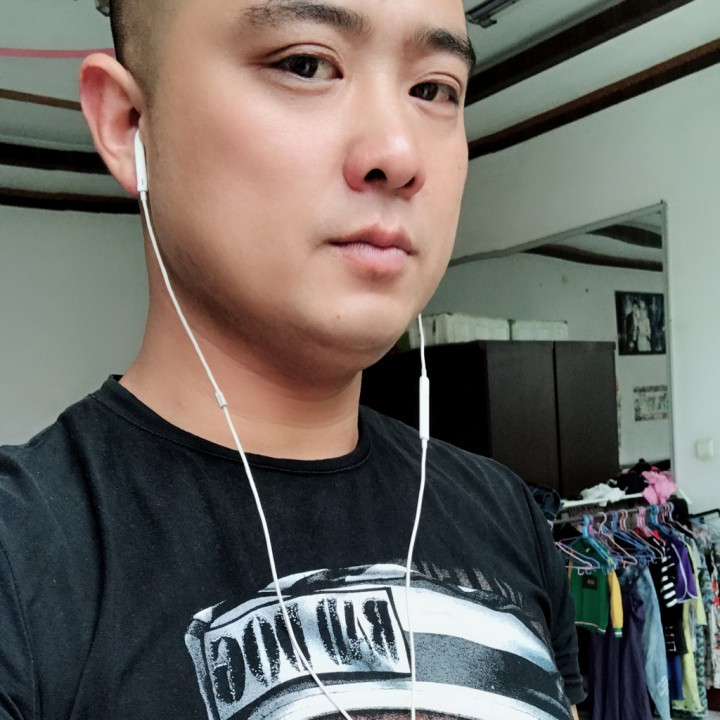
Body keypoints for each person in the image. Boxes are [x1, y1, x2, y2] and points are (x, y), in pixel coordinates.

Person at [0, 1, 584, 718]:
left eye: (433, 89)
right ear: (129, 124)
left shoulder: (505, 512)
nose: (399, 154)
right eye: (305, 65)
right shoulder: (22, 557)